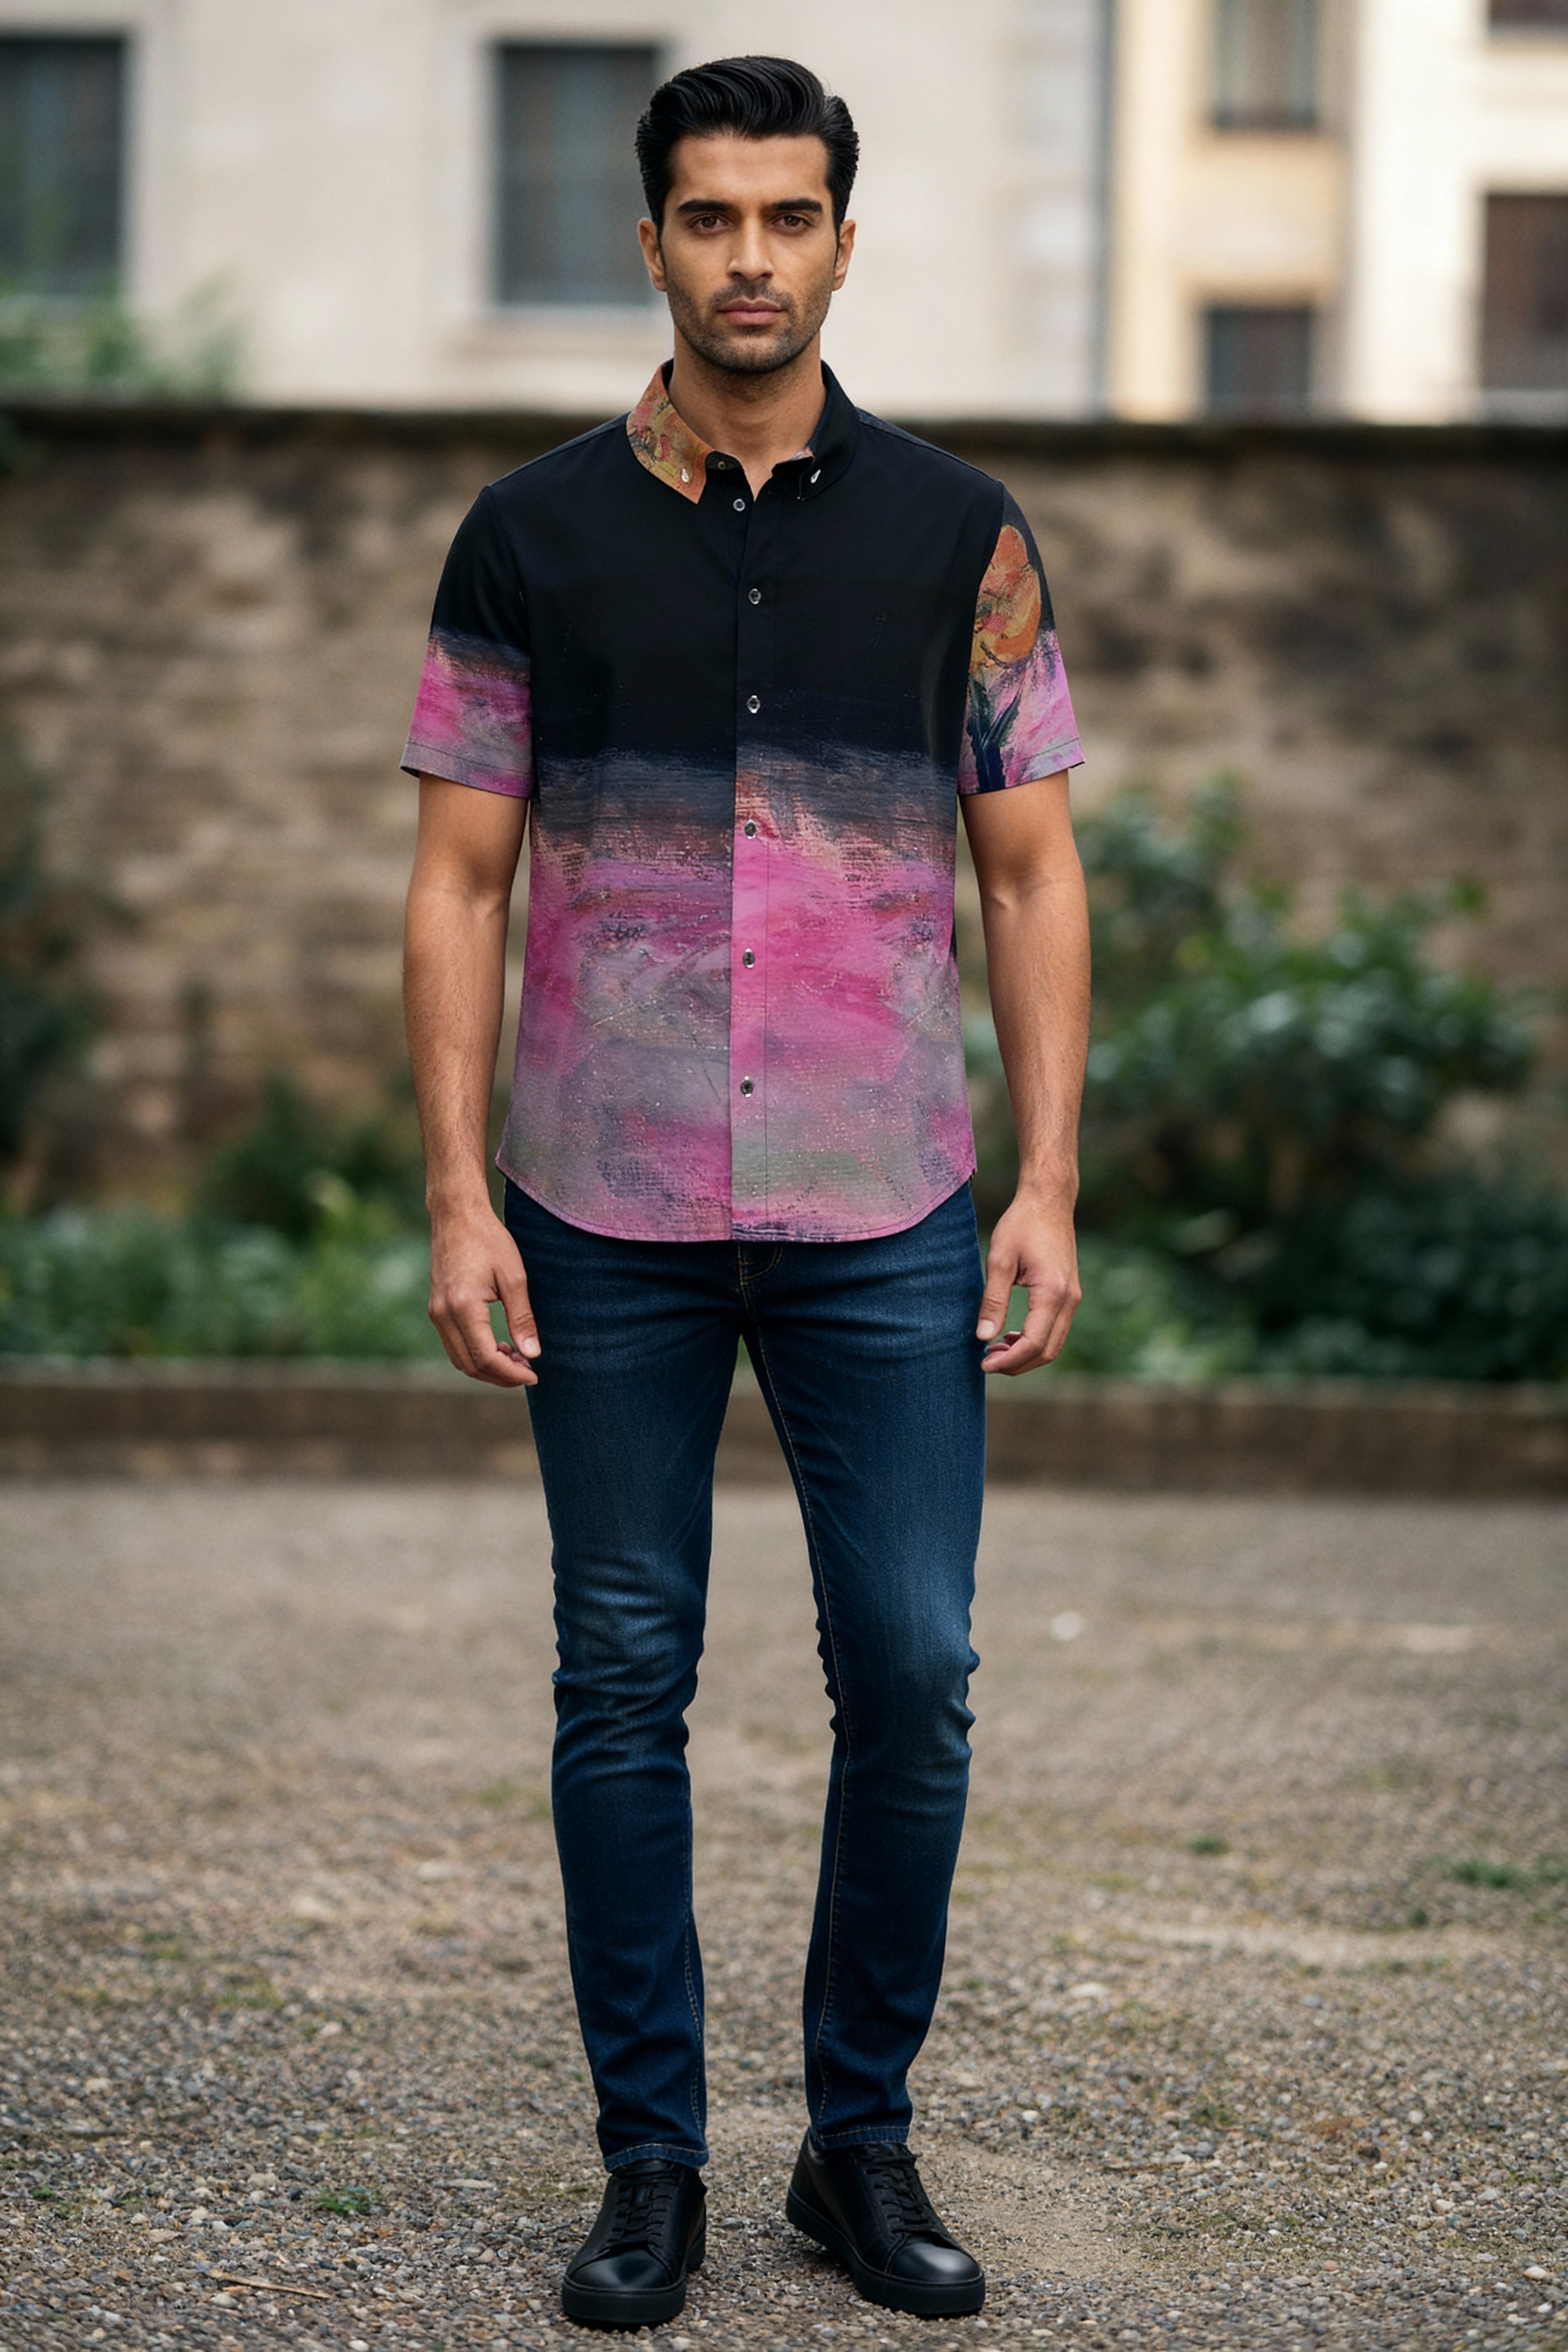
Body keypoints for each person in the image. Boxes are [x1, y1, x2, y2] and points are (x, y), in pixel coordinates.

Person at [401, 54, 1090, 2332]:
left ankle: (853, 2143)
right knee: (623, 1674)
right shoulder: (526, 537)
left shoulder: (963, 534)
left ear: (842, 242)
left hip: (885, 1196)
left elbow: (1032, 870)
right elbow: (456, 883)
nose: (750, 257)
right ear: (654, 243)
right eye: (710, 217)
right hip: (599, 1201)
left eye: (789, 217)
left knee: (914, 1666)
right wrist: (456, 1195)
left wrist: (1046, 1180)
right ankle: (651, 2165)